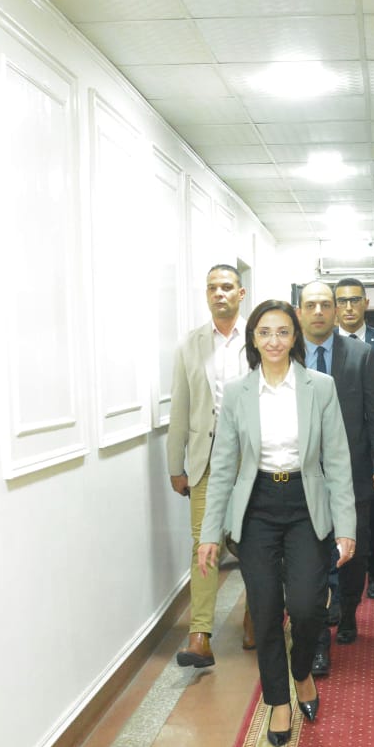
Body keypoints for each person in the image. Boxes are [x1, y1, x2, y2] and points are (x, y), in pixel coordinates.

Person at [197, 300, 356, 747]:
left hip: (306, 505)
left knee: (307, 607)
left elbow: (337, 460)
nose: (273, 340)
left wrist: (346, 526)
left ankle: (301, 671)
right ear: (253, 338)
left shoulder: (319, 387)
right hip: (258, 507)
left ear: (294, 337)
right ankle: (279, 701)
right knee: (265, 611)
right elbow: (223, 468)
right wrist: (210, 534)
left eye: (282, 332)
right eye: (264, 332)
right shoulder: (238, 393)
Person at [297, 282, 374, 676]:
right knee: (311, 563)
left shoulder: (360, 354)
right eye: (311, 305)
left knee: (354, 555)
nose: (319, 311)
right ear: (300, 312)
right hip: (303, 479)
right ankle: (319, 640)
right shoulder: (288, 354)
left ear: (336, 311)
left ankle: (349, 610)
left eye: (326, 304)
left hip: (353, 475)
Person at [167, 263, 252, 668]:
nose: (219, 293)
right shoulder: (191, 344)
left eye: (227, 287)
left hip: (252, 458)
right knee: (205, 544)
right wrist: (175, 464)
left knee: (255, 542)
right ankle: (200, 635)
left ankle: (256, 617)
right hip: (206, 459)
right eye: (212, 288)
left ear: (241, 293)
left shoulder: (259, 337)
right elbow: (180, 406)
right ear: (206, 294)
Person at [332, 277, 374, 602]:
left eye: (355, 300)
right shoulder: (326, 344)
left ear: (366, 303)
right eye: (342, 301)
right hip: (336, 447)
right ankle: (337, 582)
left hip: (373, 448)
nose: (349, 307)